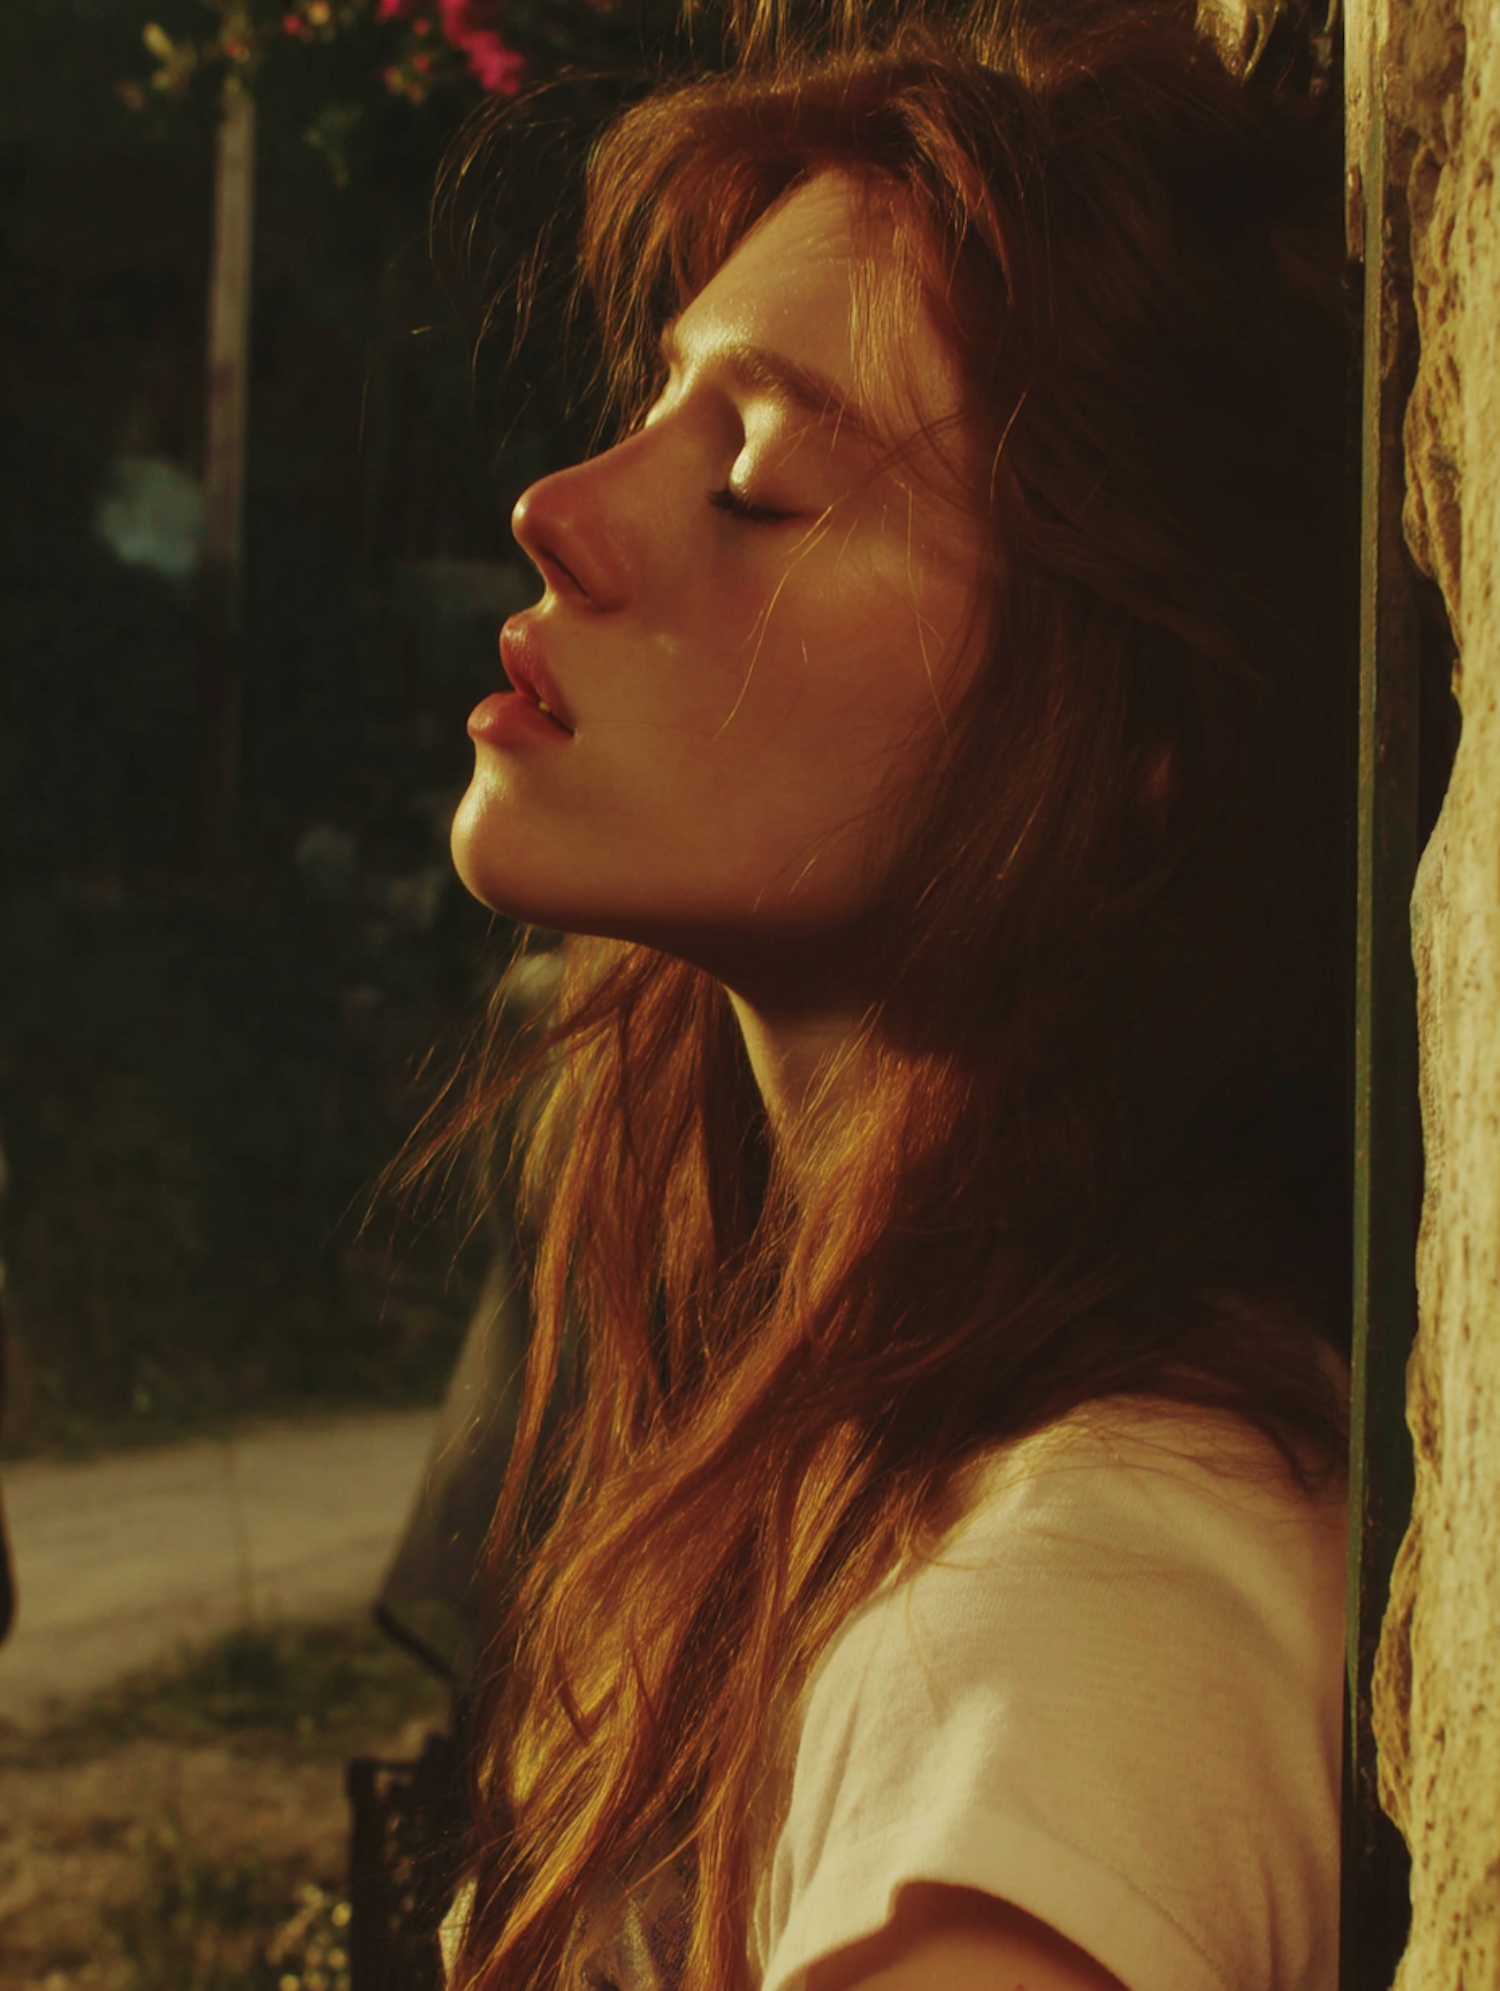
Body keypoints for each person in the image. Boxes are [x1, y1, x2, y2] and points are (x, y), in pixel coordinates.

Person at [413, 2, 1352, 1984]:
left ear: (1135, 732)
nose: (561, 507)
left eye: (758, 477)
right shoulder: (848, 1455)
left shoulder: (1076, 1643)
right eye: (656, 406)